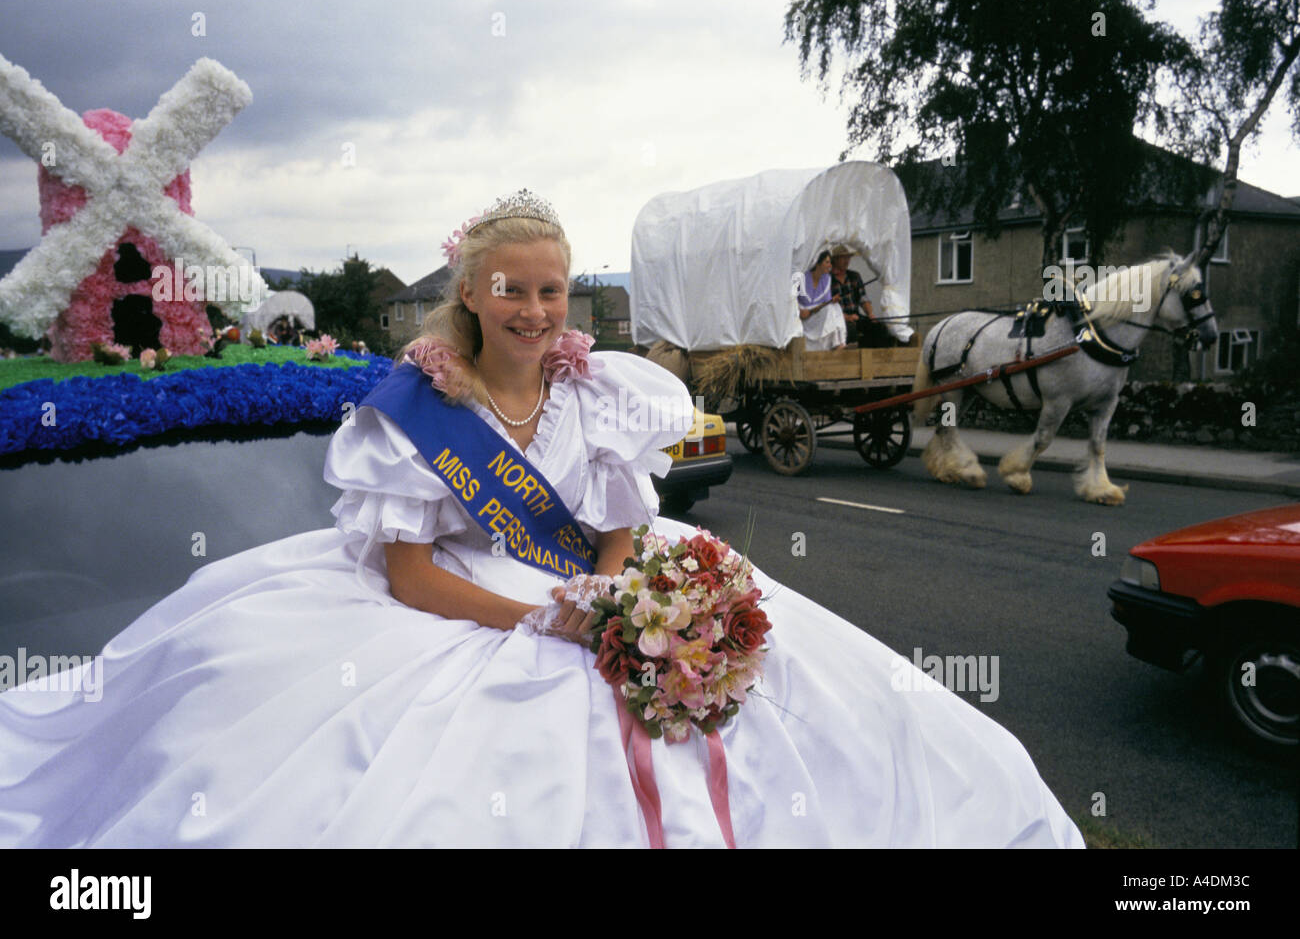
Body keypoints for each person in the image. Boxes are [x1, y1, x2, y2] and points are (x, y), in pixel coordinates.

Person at [0, 189, 1083, 848]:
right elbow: (413, 577)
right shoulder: (412, 409)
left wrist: (614, 586)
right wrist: (544, 621)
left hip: (593, 584)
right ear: (471, 291)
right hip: (458, 608)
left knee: (840, 711)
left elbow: (616, 520)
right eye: (512, 289)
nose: (534, 309)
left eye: (554, 290)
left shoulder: (601, 389)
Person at [830, 245, 892, 349]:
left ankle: (878, 359)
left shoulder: (854, 276)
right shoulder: (827, 280)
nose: (847, 261)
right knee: (851, 331)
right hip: (837, 321)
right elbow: (828, 309)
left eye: (848, 257)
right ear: (835, 259)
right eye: (843, 258)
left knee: (880, 329)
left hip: (856, 317)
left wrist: (870, 314)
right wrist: (846, 317)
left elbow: (863, 299)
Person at [797, 250, 846, 351]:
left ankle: (839, 342)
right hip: (804, 317)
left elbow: (825, 304)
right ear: (818, 263)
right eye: (827, 262)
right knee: (832, 308)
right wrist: (798, 310)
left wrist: (832, 300)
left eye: (830, 262)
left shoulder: (827, 278)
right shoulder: (803, 277)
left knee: (835, 307)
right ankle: (838, 343)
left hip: (817, 315)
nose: (830, 265)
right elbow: (791, 298)